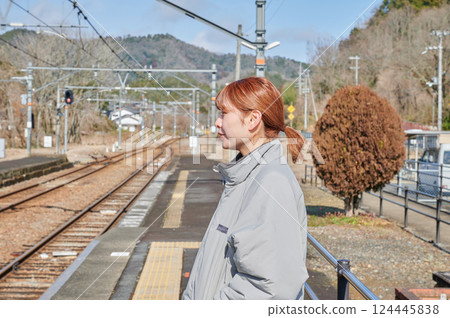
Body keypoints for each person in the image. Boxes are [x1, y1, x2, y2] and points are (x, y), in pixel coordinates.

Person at [182, 77, 308, 300]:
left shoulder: (270, 182)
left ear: (252, 119)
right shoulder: (246, 176)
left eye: (224, 113)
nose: (217, 123)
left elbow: (270, 288)